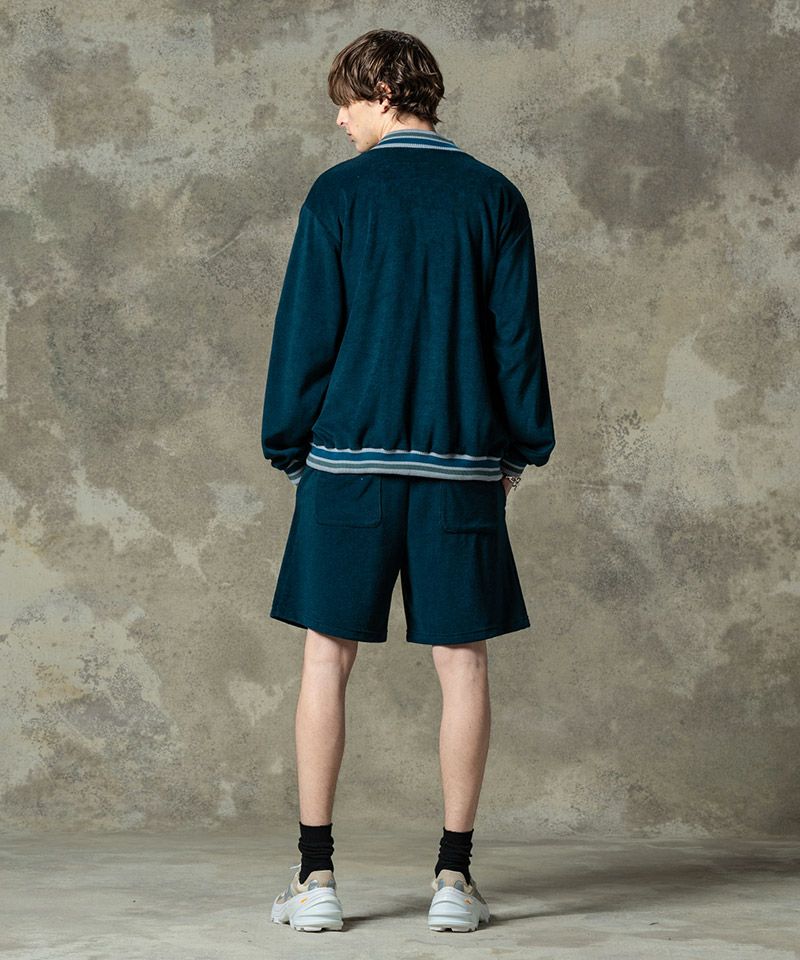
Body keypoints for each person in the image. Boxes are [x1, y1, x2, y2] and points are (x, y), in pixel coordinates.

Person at [263, 29, 555, 934]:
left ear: (386, 92)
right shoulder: (494, 196)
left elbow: (307, 331)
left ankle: (316, 882)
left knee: (325, 659)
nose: (339, 120)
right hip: (461, 466)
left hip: (347, 467)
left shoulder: (339, 194)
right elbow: (516, 340)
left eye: (346, 101)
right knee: (462, 665)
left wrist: (291, 445)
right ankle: (453, 883)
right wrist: (518, 449)